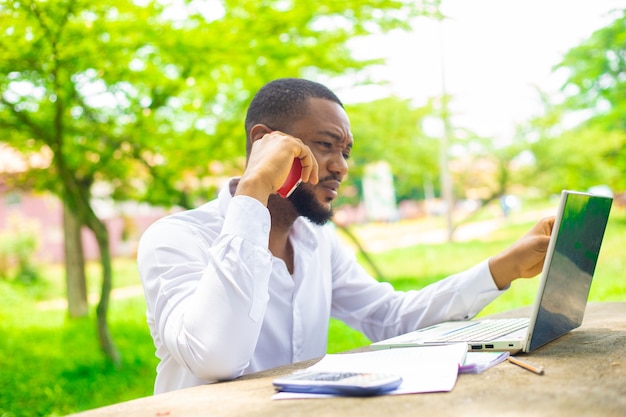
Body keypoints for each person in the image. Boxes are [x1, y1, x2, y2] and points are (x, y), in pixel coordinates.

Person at [137, 78, 554, 394]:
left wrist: (506, 267)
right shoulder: (174, 239)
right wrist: (254, 190)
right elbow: (217, 358)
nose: (340, 166)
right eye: (325, 145)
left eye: (346, 152)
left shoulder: (318, 243)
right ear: (264, 142)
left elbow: (392, 319)